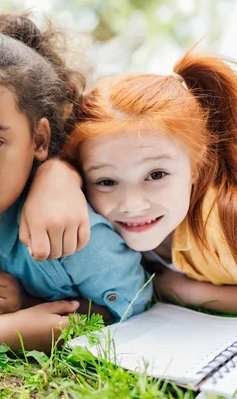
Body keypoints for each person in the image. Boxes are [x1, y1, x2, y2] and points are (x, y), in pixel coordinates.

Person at [0, 13, 152, 352]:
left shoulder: (76, 232)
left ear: (39, 140)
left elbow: (131, 305)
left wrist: (28, 303)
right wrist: (4, 329)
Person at [60, 50, 237, 314]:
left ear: (197, 166)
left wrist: (180, 289)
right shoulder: (94, 224)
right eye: (107, 181)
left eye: (156, 175)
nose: (133, 205)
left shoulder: (224, 220)